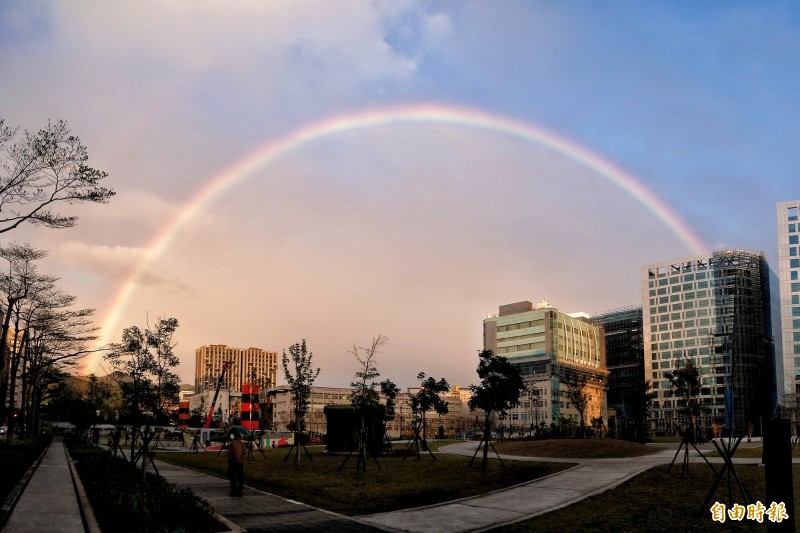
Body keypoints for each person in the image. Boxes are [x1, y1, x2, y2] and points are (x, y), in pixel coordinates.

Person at [228, 432, 246, 496]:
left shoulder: (232, 443)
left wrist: (230, 462)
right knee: (240, 477)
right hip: (241, 462)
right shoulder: (242, 443)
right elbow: (244, 453)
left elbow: (230, 454)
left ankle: (233, 490)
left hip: (234, 462)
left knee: (232, 477)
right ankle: (240, 491)